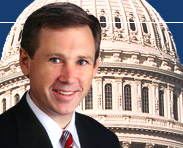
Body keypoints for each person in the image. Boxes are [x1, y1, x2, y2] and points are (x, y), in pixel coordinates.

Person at [0, 2, 120, 148]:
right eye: (55, 60)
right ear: (25, 62)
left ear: (95, 67)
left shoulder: (106, 140)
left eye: (81, 62)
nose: (69, 78)